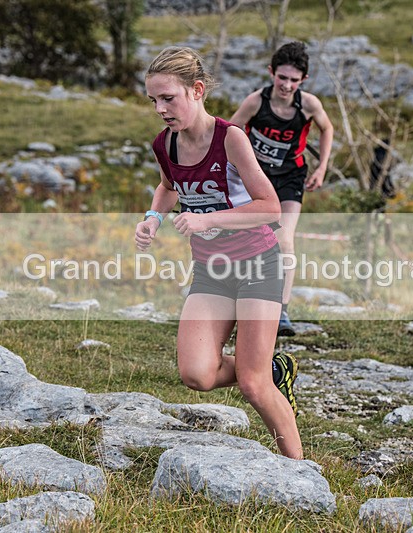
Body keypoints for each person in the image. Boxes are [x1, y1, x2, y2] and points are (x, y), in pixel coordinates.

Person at [135, 47, 302, 459]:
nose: (160, 108)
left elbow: (270, 208)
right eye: (153, 100)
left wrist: (208, 220)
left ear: (196, 90)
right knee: (196, 374)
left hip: (257, 266)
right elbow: (169, 187)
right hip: (211, 271)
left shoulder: (231, 138)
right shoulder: (165, 144)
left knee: (252, 384)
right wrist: (153, 218)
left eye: (168, 98)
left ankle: (300, 471)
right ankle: (272, 367)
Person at [230, 41, 334, 337]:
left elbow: (327, 128)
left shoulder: (309, 104)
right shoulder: (255, 102)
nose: (287, 85)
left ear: (303, 80)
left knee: (284, 240)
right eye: (282, 77)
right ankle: (243, 306)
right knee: (248, 240)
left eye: (293, 80)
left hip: (290, 178)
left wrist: (322, 166)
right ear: (271, 73)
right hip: (256, 179)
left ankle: (281, 311)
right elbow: (231, 132)